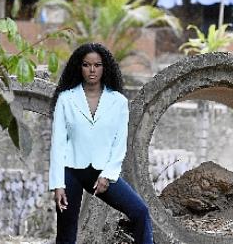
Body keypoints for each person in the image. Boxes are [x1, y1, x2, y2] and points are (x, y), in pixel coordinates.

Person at [49, 43, 154, 244]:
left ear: (105, 67)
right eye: (86, 65)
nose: (92, 70)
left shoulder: (119, 102)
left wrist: (108, 175)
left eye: (97, 65)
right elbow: (58, 143)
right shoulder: (66, 99)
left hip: (101, 172)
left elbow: (119, 143)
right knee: (66, 232)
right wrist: (57, 184)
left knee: (140, 212)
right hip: (69, 171)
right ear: (79, 67)